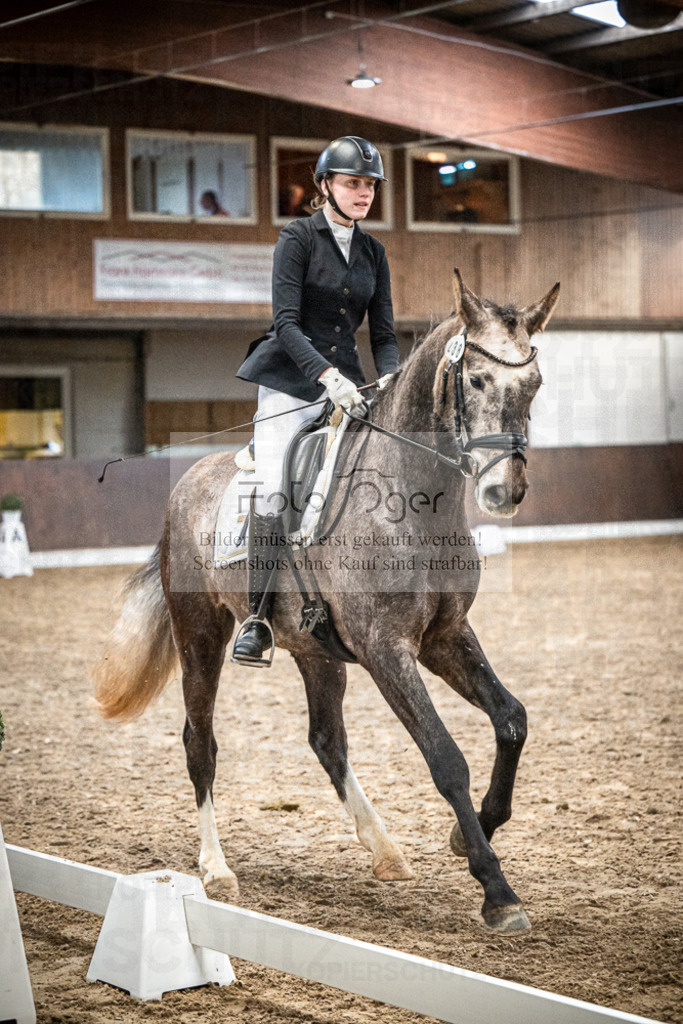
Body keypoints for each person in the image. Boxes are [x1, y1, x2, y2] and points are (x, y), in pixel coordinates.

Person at [232, 135, 400, 665]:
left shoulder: (374, 253)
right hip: (292, 383)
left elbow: (384, 336)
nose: (364, 193)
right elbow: (285, 323)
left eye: (370, 185)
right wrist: (328, 377)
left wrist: (389, 379)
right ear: (325, 185)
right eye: (353, 183)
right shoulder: (298, 237)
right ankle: (257, 618)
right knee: (275, 487)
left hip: (352, 388)